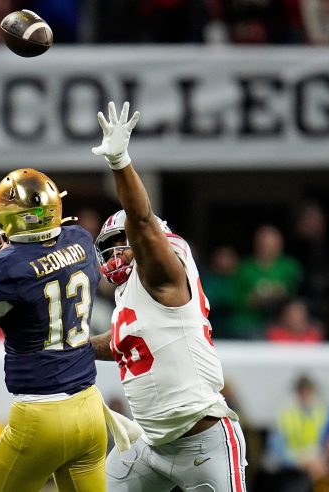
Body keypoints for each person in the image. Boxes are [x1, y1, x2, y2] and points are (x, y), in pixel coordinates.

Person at [89, 101, 247, 491]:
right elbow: (124, 341)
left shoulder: (163, 272)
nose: (113, 255)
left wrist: (120, 162)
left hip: (203, 441)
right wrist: (67, 344)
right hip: (148, 442)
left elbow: (141, 220)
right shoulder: (131, 295)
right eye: (106, 247)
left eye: (120, 244)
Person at [0, 168, 109, 492]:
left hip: (40, 415)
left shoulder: (1, 271)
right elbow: (47, 264)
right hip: (90, 409)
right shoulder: (81, 239)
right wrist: (13, 248)